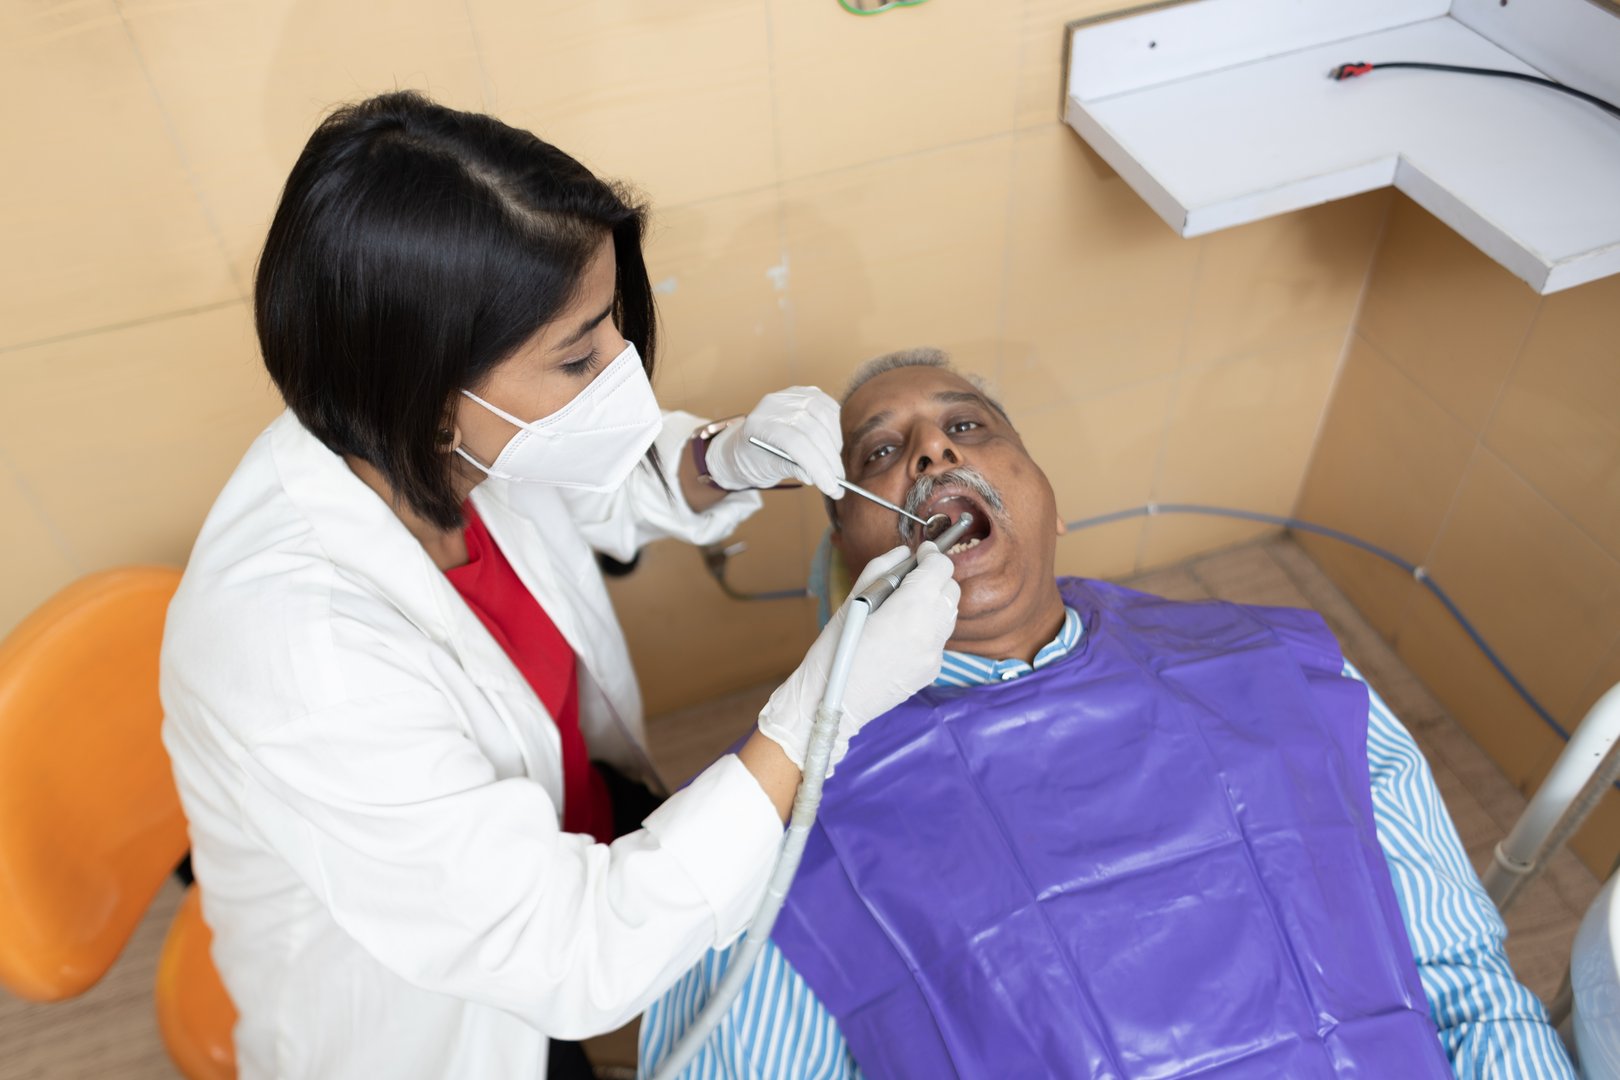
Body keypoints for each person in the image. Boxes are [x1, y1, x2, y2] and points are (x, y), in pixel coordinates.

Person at [158, 94, 962, 1080]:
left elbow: (588, 480)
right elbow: (574, 955)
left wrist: (722, 459)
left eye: (612, 327)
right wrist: (812, 720)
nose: (624, 371)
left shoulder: (438, 444)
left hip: (571, 821)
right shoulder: (299, 651)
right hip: (433, 1020)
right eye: (579, 356)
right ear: (427, 387)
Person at [639, 349, 1576, 1079]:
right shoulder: (775, 824)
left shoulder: (1280, 673)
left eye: (966, 424)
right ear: (846, 551)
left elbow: (1467, 988)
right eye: (879, 453)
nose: (933, 451)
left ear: (1048, 501)